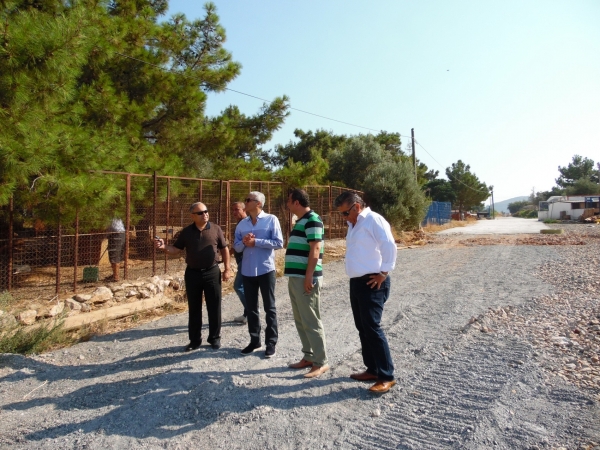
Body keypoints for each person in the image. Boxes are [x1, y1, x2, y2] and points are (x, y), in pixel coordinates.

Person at [334, 191, 398, 393]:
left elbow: (389, 245)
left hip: (372, 281)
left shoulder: (373, 220)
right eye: (342, 214)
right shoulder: (353, 224)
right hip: (357, 282)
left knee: (372, 327)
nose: (344, 218)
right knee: (362, 327)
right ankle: (372, 369)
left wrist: (384, 273)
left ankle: (386, 376)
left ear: (357, 207)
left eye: (345, 213)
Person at [155, 202, 232, 351]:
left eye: (206, 211)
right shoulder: (186, 232)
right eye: (201, 213)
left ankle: (214, 338)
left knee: (214, 306)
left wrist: (227, 269)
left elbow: (224, 249)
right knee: (194, 308)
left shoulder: (216, 229)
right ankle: (195, 341)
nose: (205, 214)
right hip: (193, 274)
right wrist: (163, 247)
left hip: (212, 272)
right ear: (192, 216)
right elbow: (175, 249)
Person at [284, 189, 329, 378]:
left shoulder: (313, 219)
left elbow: (315, 248)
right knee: (301, 320)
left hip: (305, 278)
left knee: (311, 320)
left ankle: (321, 362)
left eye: (289, 201)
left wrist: (309, 275)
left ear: (296, 202)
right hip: (296, 277)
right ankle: (309, 356)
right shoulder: (301, 221)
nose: (287, 204)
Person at [234, 191, 283, 358]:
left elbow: (279, 243)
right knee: (251, 308)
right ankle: (255, 341)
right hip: (247, 270)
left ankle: (271, 343)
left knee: (270, 307)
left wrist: (257, 242)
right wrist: (244, 242)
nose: (245, 202)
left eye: (248, 200)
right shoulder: (242, 225)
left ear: (259, 203)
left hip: (265, 269)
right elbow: (236, 247)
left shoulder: (271, 219)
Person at [230, 201, 248, 324]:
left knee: (238, 286)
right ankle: (247, 313)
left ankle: (252, 311)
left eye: (237, 209)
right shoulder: (239, 224)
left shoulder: (247, 223)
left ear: (244, 209)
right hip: (239, 259)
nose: (234, 212)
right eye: (233, 210)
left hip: (245, 259)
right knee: (245, 287)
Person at [107, 217, 126, 282]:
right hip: (120, 233)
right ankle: (114, 274)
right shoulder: (116, 214)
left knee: (114, 256)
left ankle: (116, 276)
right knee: (115, 255)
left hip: (116, 234)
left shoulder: (109, 214)